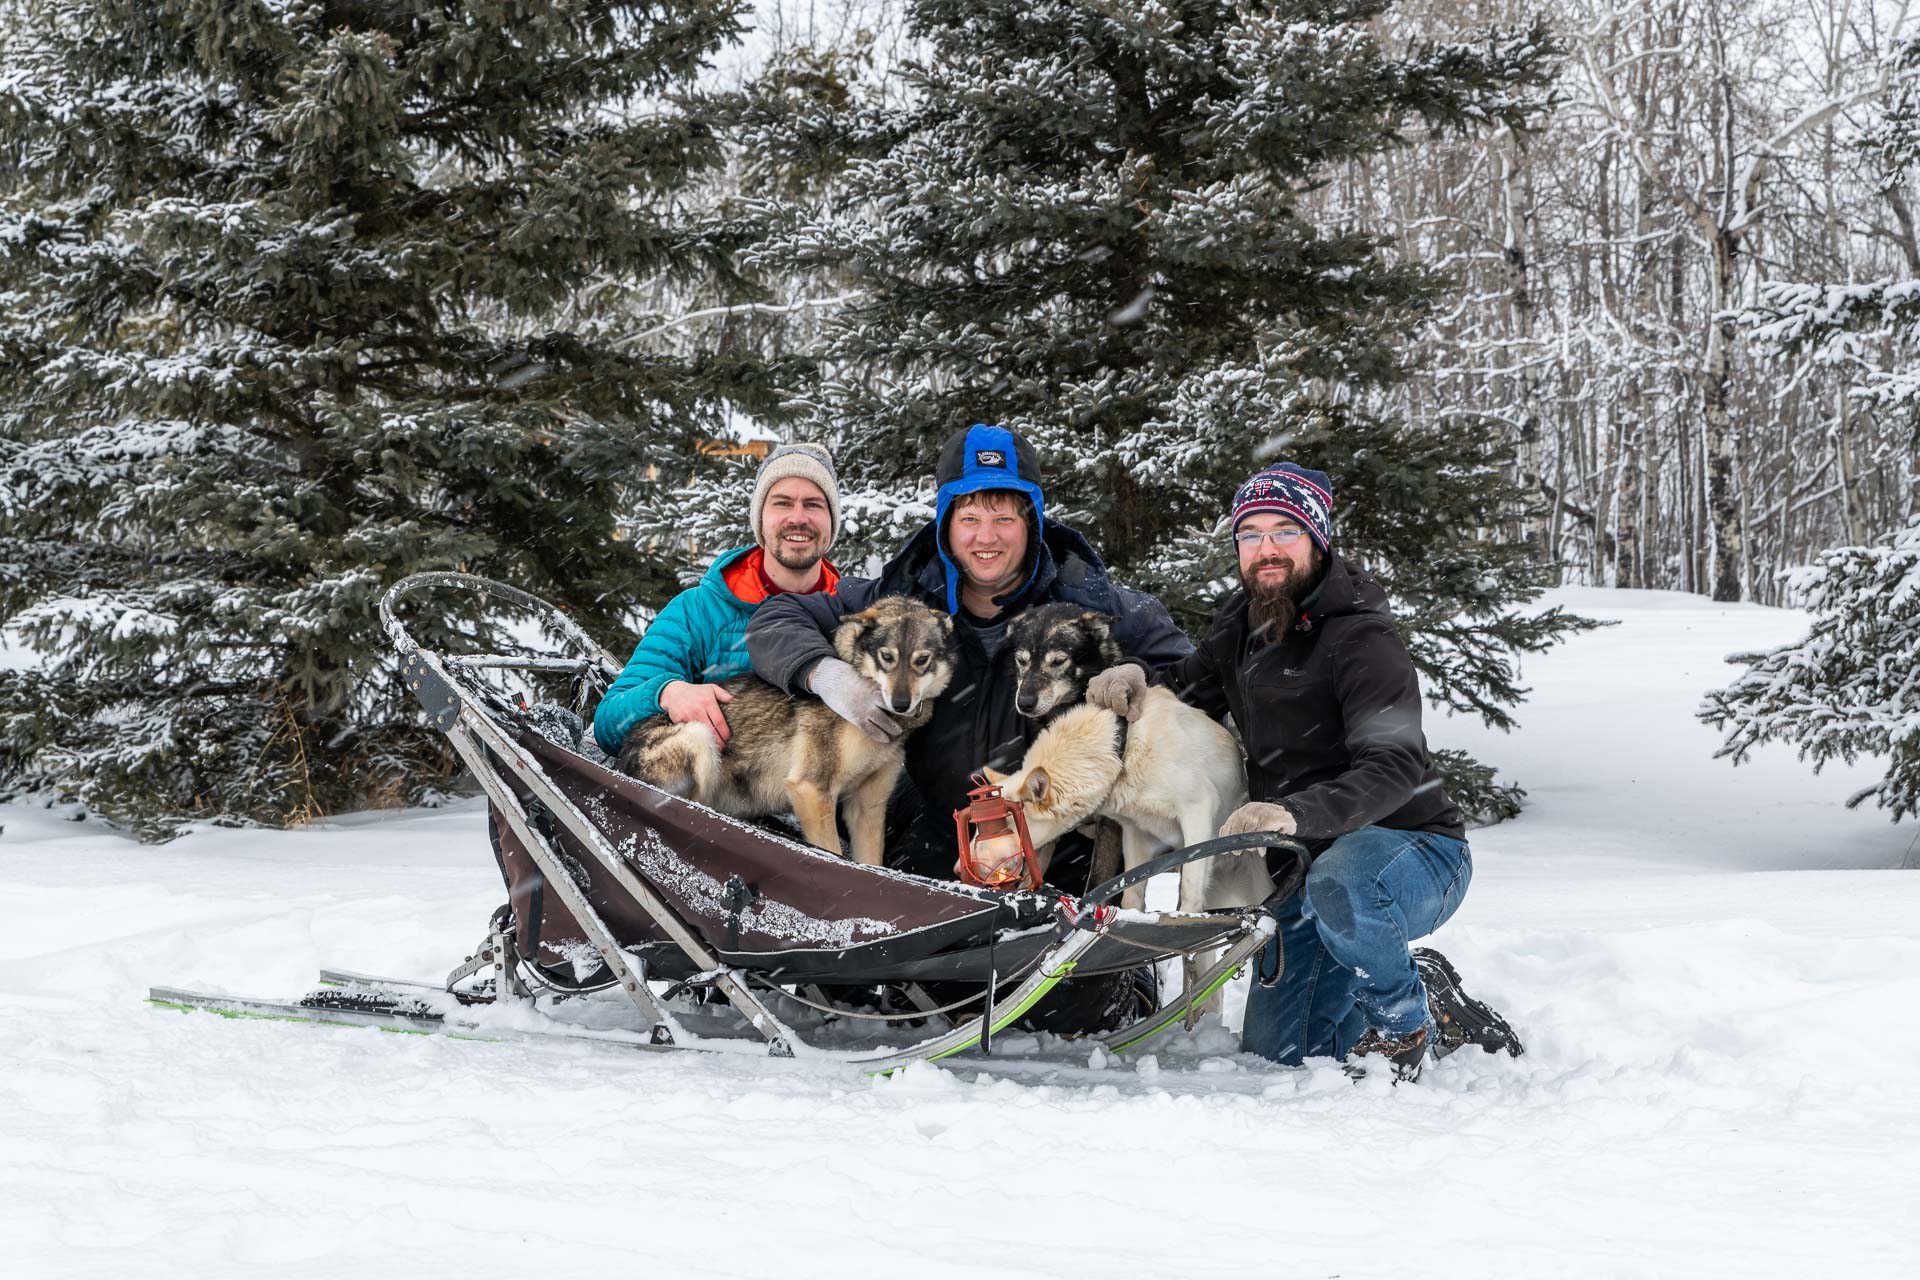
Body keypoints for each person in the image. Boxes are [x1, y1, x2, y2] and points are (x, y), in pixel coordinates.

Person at [746, 424, 1192, 1029]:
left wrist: (1138, 674)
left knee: (1067, 1013)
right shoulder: (901, 597)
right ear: (945, 524)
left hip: (1055, 838)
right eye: (970, 516)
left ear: (1031, 521)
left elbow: (1191, 672)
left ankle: (1111, 970)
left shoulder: (1094, 607)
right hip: (931, 833)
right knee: (899, 993)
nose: (986, 537)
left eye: (1005, 517)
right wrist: (825, 673)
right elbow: (782, 612)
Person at [1088, 462, 1511, 1081]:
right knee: (1281, 1056)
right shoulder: (1242, 625)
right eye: (1250, 534)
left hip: (1412, 849)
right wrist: (1137, 683)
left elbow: (1394, 766)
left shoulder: (1363, 638)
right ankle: (1415, 982)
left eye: (1284, 531)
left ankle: (1405, 1024)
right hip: (1302, 868)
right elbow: (1184, 695)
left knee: (1345, 886)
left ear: (1317, 538)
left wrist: (1296, 812)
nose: (1266, 549)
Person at [592, 442, 842, 757]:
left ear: (831, 521)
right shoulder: (696, 612)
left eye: (814, 504)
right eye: (782, 503)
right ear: (760, 521)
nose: (798, 517)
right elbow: (609, 724)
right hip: (716, 799)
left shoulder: (857, 616)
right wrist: (666, 693)